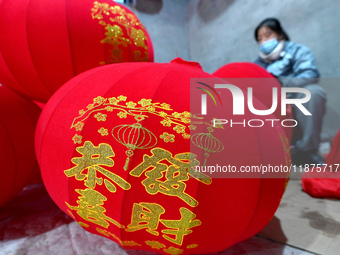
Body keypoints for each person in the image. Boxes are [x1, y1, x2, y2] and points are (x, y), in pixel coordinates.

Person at [253, 18, 327, 165]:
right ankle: (267, 155)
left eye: (267, 35)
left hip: (295, 99)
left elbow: (310, 75)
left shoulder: (298, 51)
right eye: (259, 39)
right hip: (272, 105)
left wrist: (279, 83)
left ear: (279, 34)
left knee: (313, 93)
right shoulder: (258, 64)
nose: (263, 42)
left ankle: (306, 152)